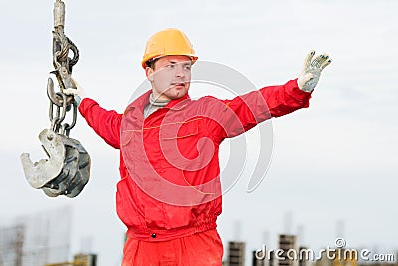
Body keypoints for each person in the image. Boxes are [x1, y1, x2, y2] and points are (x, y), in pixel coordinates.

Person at [65, 28, 331, 266]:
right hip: (140, 249)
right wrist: (81, 101)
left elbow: (253, 105)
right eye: (171, 65)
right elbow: (104, 121)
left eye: (187, 66)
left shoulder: (204, 115)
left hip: (193, 247)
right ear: (149, 71)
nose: (181, 73)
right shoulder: (130, 123)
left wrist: (296, 89)